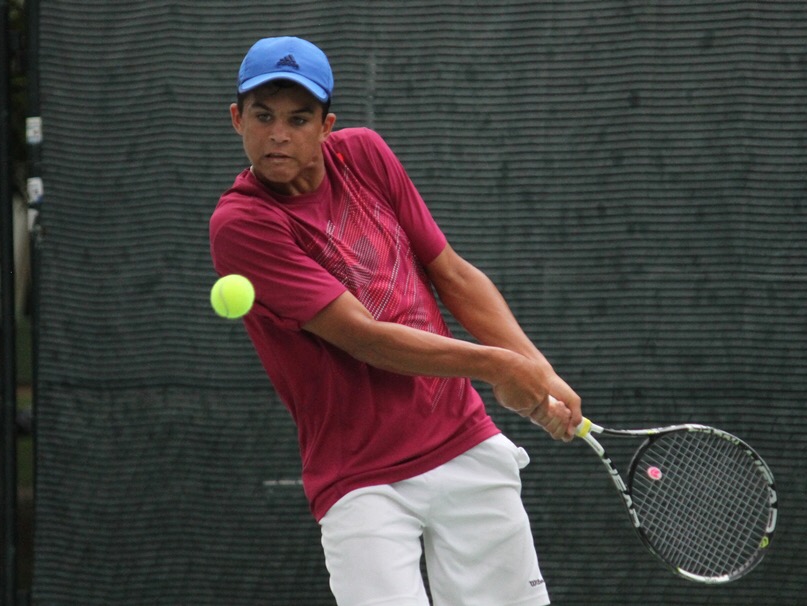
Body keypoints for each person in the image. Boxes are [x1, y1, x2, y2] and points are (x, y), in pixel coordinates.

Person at [209, 36, 582, 606]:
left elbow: (451, 273)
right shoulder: (242, 224)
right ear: (238, 119)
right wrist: (500, 366)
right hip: (361, 479)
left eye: (298, 117)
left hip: (462, 443)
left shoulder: (364, 155)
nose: (278, 133)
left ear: (327, 125)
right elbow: (365, 338)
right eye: (263, 116)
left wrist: (539, 371)